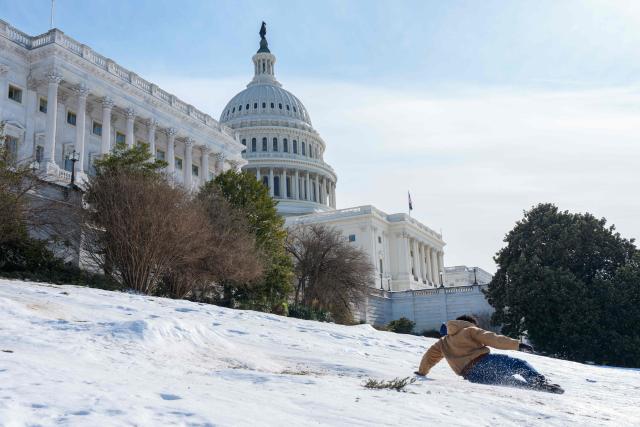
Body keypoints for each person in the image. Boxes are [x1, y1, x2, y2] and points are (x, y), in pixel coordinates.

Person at [415, 315, 563, 394]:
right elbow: (493, 339)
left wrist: (422, 372)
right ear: (468, 323)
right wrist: (517, 344)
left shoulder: (442, 342)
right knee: (519, 364)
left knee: (510, 382)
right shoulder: (470, 330)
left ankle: (533, 386)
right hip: (484, 363)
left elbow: (429, 357)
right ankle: (540, 383)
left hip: (471, 375)